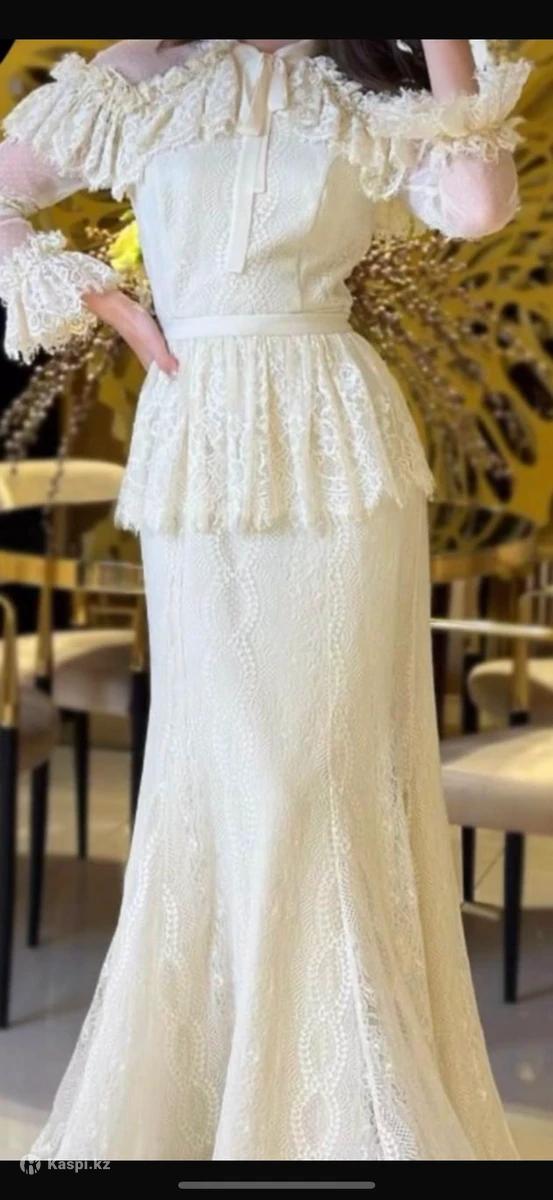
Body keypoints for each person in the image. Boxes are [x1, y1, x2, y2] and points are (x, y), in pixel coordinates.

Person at [0, 38, 530, 1161]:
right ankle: (222, 1104)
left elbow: (479, 205)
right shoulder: (142, 71)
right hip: (201, 437)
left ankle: (339, 1112)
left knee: (315, 779)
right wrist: (101, 298)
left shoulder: (366, 78)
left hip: (337, 444)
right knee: (229, 773)